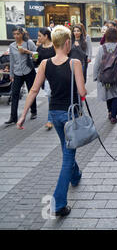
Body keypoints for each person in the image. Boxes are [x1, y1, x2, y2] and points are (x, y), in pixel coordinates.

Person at [17, 25, 87, 217]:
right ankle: (58, 204)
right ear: (67, 43)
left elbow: (33, 90)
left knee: (66, 148)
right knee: (67, 156)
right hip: (70, 116)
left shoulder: (45, 63)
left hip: (54, 114)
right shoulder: (75, 63)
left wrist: (22, 115)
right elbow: (82, 92)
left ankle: (76, 175)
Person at [93, 27, 117, 124]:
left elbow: (97, 63)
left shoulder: (102, 48)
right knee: (115, 95)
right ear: (116, 37)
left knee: (108, 93)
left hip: (105, 77)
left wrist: (95, 76)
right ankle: (114, 116)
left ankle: (110, 112)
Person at [5, 27, 37, 125]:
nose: (16, 36)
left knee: (31, 92)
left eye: (18, 34)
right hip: (17, 73)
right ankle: (13, 117)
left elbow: (37, 55)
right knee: (14, 94)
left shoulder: (29, 43)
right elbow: (12, 61)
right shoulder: (12, 46)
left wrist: (27, 51)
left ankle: (33, 111)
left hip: (29, 71)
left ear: (22, 34)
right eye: (14, 34)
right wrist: (11, 74)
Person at [34, 28, 56, 130]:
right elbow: (36, 62)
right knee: (50, 99)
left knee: (53, 98)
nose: (38, 38)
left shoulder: (55, 46)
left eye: (39, 36)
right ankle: (51, 119)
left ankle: (50, 120)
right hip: (46, 78)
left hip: (57, 76)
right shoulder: (39, 48)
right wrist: (34, 58)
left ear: (46, 36)